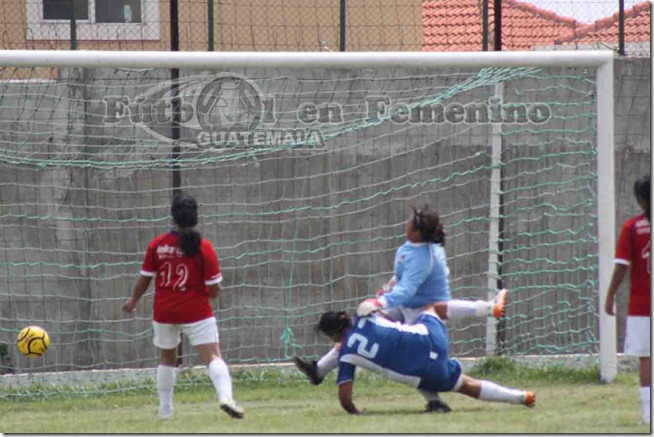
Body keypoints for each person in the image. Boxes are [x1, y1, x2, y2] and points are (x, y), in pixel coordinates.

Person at [294, 204, 507, 412]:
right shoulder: (411, 247)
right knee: (357, 330)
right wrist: (384, 293)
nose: (406, 224)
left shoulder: (424, 257)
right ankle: (319, 370)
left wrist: (380, 303)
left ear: (417, 232)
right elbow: (400, 279)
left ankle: (487, 309)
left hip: (424, 312)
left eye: (411, 223)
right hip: (405, 306)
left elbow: (406, 289)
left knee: (409, 359)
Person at [122, 194, 244, 420]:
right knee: (213, 357)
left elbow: (145, 278)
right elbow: (214, 289)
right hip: (196, 311)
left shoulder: (157, 245)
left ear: (172, 217)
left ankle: (165, 410)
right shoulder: (204, 247)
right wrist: (210, 294)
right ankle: (226, 398)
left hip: (164, 311)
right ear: (195, 216)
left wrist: (133, 301)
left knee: (167, 358)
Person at [316, 308, 535, 415]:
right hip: (431, 338)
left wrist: (357, 413)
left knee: (465, 386)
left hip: (424, 372)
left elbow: (345, 400)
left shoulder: (345, 353)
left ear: (333, 334)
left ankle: (519, 397)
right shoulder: (367, 315)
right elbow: (391, 309)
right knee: (429, 304)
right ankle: (485, 308)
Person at [604, 175, 650, 425]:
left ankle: (648, 413)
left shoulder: (632, 227)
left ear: (640, 199)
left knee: (647, 357)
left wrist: (610, 295)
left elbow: (622, 266)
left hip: (642, 305)